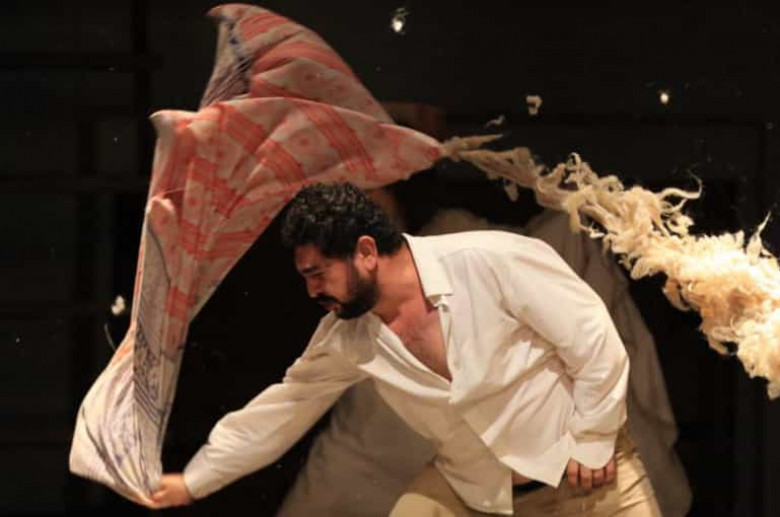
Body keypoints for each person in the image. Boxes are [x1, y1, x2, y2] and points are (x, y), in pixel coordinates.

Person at [146, 182, 661, 515]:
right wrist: (194, 481)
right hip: (474, 494)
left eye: (319, 273)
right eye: (305, 277)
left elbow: (590, 334)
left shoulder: (487, 260)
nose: (312, 291)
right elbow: (282, 411)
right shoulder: (346, 336)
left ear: (366, 252)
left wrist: (594, 435)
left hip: (586, 474)